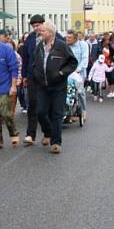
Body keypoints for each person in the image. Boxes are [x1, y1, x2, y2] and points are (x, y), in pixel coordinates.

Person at [32, 21, 78, 153]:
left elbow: (73, 62)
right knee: (40, 111)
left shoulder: (61, 46)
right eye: (41, 31)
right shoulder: (39, 46)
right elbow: (34, 62)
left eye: (43, 31)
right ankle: (48, 132)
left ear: (51, 33)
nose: (40, 33)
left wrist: (61, 73)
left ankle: (56, 142)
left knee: (57, 114)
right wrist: (35, 73)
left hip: (58, 86)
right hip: (42, 86)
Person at [20, 14, 45, 145]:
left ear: (43, 24)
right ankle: (30, 134)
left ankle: (48, 133)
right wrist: (24, 75)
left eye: (38, 25)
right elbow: (25, 58)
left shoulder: (52, 36)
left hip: (47, 77)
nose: (36, 28)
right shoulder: (30, 38)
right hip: (32, 76)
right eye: (34, 26)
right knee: (32, 105)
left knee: (45, 106)